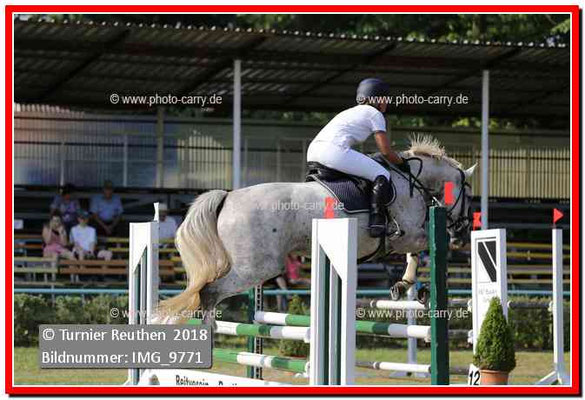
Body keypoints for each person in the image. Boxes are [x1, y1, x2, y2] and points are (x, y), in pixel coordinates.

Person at [306, 78, 410, 237]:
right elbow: (386, 152)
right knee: (382, 174)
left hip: (314, 151)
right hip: (333, 152)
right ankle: (377, 222)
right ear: (376, 99)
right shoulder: (375, 114)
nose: (386, 103)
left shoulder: (351, 111)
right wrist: (402, 163)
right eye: (385, 99)